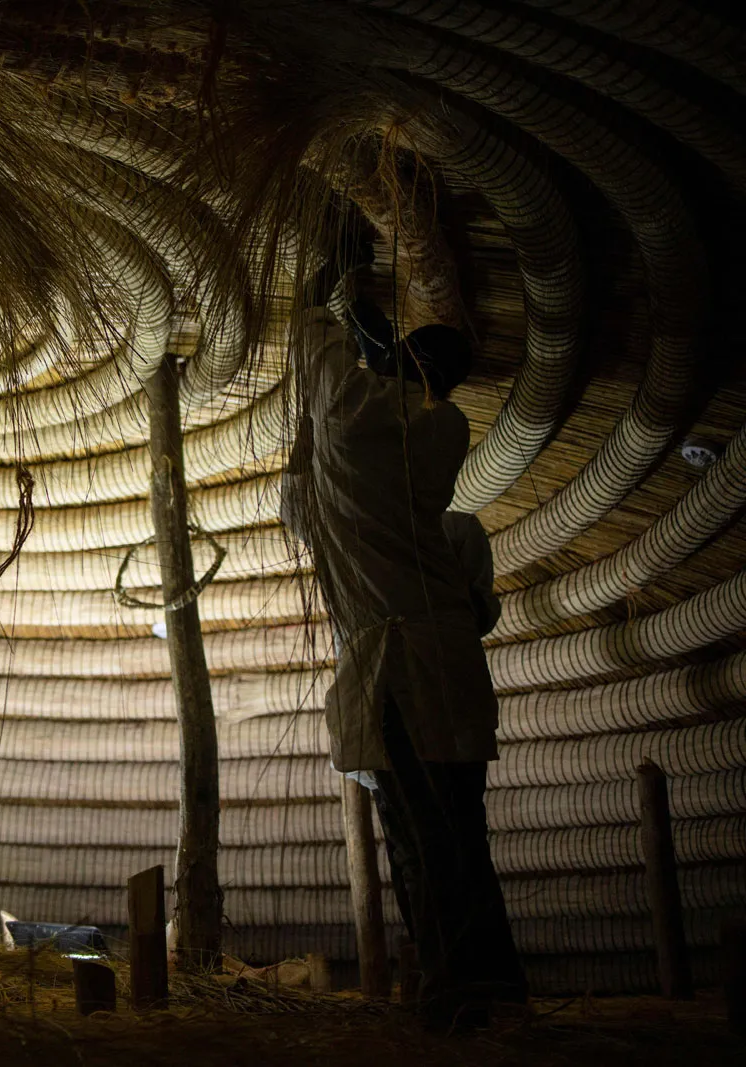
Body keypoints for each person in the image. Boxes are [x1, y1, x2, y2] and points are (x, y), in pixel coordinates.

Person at [280, 293, 525, 1026]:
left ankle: (461, 993)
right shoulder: (421, 444)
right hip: (426, 673)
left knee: (432, 836)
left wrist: (316, 304)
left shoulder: (399, 426)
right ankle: (477, 988)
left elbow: (331, 400)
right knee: (441, 835)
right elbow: (303, 483)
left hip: (410, 672)